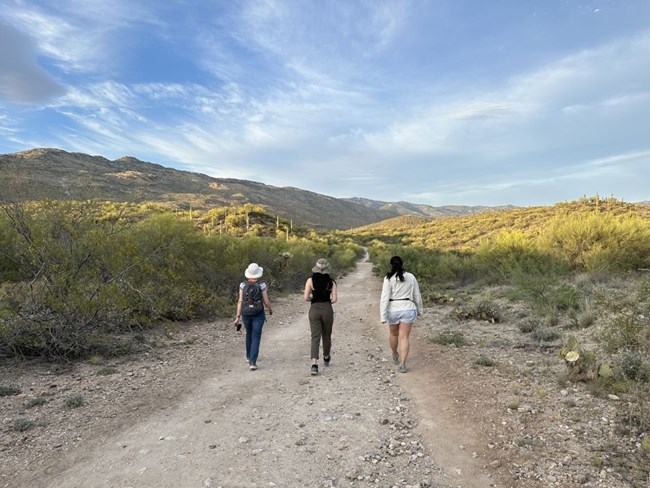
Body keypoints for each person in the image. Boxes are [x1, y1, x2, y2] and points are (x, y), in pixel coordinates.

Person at [379, 256, 423, 373]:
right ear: (402, 264)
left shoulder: (388, 278)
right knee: (404, 337)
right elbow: (417, 295)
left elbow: (384, 298)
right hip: (408, 308)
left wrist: (383, 315)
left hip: (393, 309)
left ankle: (394, 353)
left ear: (391, 265)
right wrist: (419, 310)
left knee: (393, 334)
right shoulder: (411, 276)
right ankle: (403, 364)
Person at [234, 263, 273, 370]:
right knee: (256, 336)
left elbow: (240, 300)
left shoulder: (242, 285)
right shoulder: (262, 285)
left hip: (246, 313)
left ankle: (248, 356)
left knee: (249, 334)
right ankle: (253, 362)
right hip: (258, 313)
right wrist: (270, 309)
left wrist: (238, 316)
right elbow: (266, 301)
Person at [303, 258, 338, 376]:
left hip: (314, 309)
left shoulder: (310, 281)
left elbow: (306, 297)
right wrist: (325, 301)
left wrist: (314, 299)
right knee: (326, 335)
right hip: (327, 309)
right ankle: (326, 356)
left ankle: (314, 364)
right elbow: (334, 299)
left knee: (315, 336)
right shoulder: (331, 282)